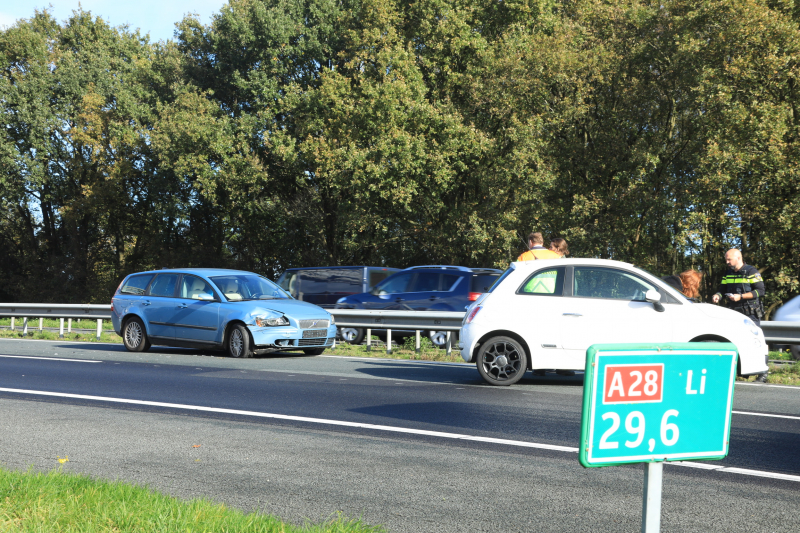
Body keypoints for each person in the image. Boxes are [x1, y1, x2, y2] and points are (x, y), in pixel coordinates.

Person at [712, 249, 768, 383]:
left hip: (750, 313)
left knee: (756, 342)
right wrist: (717, 296)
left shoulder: (751, 271)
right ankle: (737, 371)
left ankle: (763, 374)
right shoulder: (728, 273)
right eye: (726, 259)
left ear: (738, 258)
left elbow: (761, 291)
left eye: (729, 259)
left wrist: (741, 296)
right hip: (734, 313)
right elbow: (722, 289)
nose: (727, 262)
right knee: (733, 341)